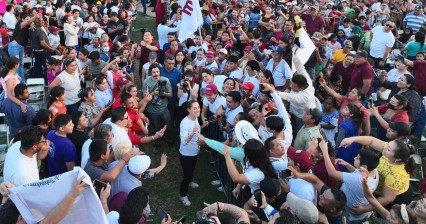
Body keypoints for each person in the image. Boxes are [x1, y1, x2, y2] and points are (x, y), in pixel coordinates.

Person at [339, 136, 416, 213]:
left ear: (398, 159)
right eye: (388, 144)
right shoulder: (390, 150)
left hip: (395, 198)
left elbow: (386, 198)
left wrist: (364, 209)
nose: (385, 147)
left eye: (388, 149)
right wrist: (352, 139)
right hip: (377, 186)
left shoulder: (396, 176)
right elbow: (371, 141)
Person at [319, 137, 380, 223]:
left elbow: (332, 172)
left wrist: (324, 150)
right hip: (361, 209)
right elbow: (357, 172)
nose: (355, 158)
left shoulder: (358, 179)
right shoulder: (374, 171)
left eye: (357, 158)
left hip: (352, 215)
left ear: (365, 166)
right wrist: (347, 164)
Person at [179, 100, 204, 206]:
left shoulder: (196, 118)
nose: (198, 109)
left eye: (198, 107)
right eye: (195, 108)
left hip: (195, 151)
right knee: (187, 176)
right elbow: (184, 142)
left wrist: (202, 128)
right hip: (186, 154)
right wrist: (193, 132)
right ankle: (182, 195)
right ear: (189, 110)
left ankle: (190, 182)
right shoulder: (184, 123)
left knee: (191, 170)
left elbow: (197, 130)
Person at [142, 63, 173, 147]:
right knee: (156, 127)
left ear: (160, 71)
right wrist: (153, 93)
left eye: (157, 72)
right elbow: (144, 96)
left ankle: (170, 141)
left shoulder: (165, 80)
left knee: (168, 126)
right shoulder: (146, 81)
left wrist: (163, 94)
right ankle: (158, 143)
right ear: (150, 73)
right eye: (153, 72)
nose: (156, 74)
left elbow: (171, 94)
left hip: (163, 108)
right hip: (152, 110)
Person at [8, 12, 38, 81]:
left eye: (29, 19)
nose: (28, 21)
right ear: (22, 19)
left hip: (21, 46)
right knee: (15, 65)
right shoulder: (19, 24)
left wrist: (31, 24)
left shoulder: (27, 27)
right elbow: (29, 22)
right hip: (14, 46)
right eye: (27, 19)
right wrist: (35, 16)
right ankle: (16, 82)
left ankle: (22, 82)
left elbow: (31, 24)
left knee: (20, 65)